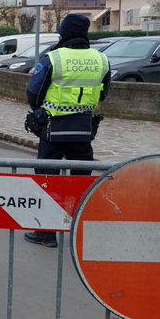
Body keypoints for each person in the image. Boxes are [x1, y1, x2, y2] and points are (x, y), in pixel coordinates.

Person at [24, 14, 110, 247]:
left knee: (48, 182)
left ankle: (46, 233)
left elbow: (34, 92)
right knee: (80, 183)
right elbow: (103, 92)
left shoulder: (54, 58)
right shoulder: (101, 59)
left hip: (53, 132)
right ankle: (77, 233)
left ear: (63, 33)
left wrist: (41, 110)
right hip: (83, 132)